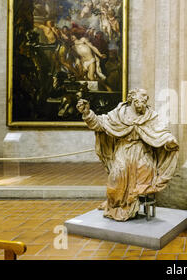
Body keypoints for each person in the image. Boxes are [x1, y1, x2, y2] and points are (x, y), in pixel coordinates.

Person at [76, 89, 179, 221]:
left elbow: (162, 131)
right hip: (123, 150)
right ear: (131, 100)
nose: (141, 106)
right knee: (117, 175)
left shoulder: (150, 115)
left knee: (145, 171)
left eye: (143, 102)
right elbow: (100, 124)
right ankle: (116, 204)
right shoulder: (119, 114)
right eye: (137, 102)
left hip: (142, 151)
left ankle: (133, 201)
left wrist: (169, 141)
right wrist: (87, 113)